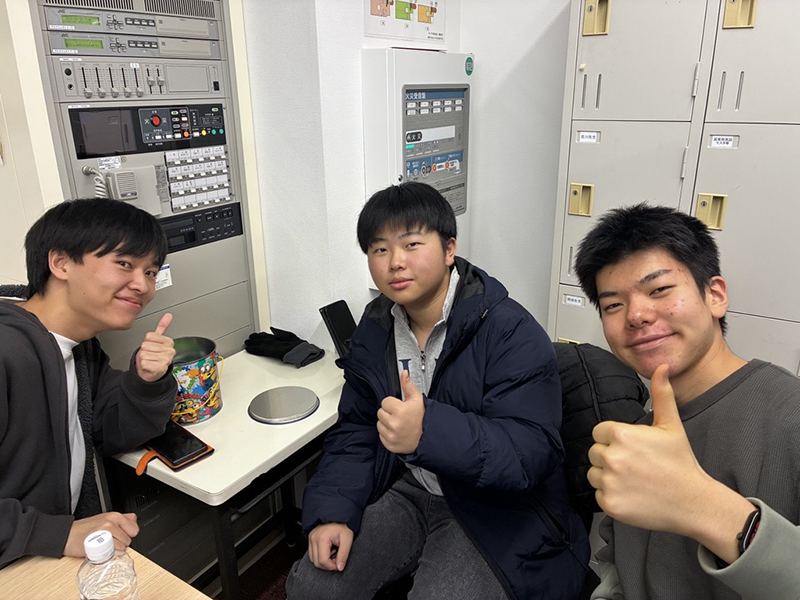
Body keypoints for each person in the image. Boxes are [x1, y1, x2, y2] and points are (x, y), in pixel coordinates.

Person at [286, 182, 589, 600]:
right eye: (379, 249)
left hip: (493, 506)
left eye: (411, 244)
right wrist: (332, 512)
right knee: (312, 587)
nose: (395, 262)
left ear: (449, 250)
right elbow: (356, 430)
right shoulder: (376, 327)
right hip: (411, 488)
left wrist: (427, 433)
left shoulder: (508, 329)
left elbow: (532, 451)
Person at [573, 204, 800, 599]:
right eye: (613, 305)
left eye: (659, 290)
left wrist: (704, 506)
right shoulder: (639, 439)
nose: (636, 315)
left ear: (715, 296)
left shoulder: (788, 415)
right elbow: (617, 569)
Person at [0, 198, 178, 568]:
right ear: (60, 262)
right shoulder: (8, 350)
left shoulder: (80, 349)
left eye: (150, 272)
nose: (142, 285)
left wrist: (147, 381)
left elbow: (112, 432)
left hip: (41, 554)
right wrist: (56, 533)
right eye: (125, 264)